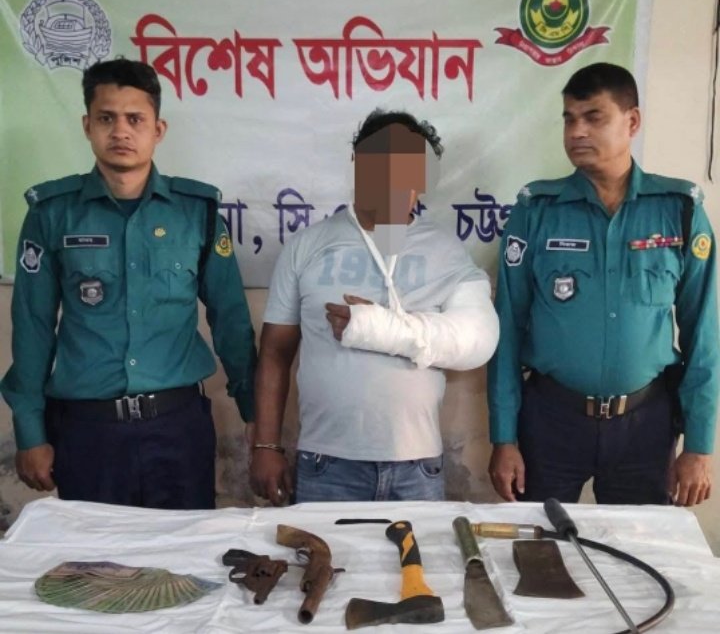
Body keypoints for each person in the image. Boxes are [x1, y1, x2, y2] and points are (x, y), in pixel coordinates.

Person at [0, 58, 257, 509]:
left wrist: (256, 413)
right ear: (87, 126)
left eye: (135, 119)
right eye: (107, 118)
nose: (121, 131)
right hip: (88, 432)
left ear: (158, 129)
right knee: (95, 553)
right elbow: (33, 327)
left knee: (187, 552)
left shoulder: (196, 212)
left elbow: (231, 319)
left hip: (177, 428)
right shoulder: (52, 214)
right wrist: (30, 431)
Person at [488, 62, 718, 507]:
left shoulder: (679, 211)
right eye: (569, 118)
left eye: (593, 117)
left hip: (645, 424)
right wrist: (503, 437)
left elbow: (703, 335)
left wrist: (699, 444)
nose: (577, 131)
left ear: (632, 122)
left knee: (636, 545)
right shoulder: (536, 211)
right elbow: (507, 330)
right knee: (540, 543)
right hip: (551, 422)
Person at [250, 109, 499, 504]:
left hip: (417, 465)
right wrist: (266, 447)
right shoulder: (306, 246)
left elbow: (477, 340)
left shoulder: (446, 251)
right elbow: (275, 353)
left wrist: (380, 327)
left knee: (418, 551)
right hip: (327, 463)